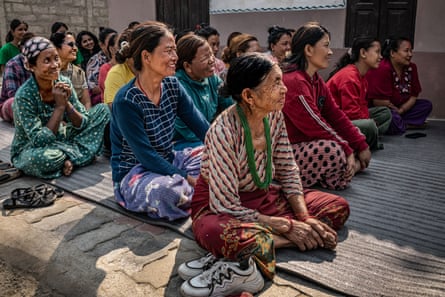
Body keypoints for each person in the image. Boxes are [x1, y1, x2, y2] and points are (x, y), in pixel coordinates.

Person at [179, 53, 349, 297]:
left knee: (337, 207)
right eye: (276, 83)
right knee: (216, 233)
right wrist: (288, 227)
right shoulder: (223, 132)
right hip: (219, 209)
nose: (284, 89)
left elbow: (288, 169)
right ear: (249, 96)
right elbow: (224, 204)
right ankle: (260, 249)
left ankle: (254, 249)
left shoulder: (274, 116)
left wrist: (303, 216)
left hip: (265, 201)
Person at [110, 21, 210, 221]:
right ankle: (206, 194)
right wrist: (189, 178)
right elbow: (146, 156)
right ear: (146, 56)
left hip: (169, 159)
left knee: (215, 159)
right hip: (136, 173)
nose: (175, 57)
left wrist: (225, 151)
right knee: (168, 192)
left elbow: (203, 128)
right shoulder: (126, 100)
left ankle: (202, 193)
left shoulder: (173, 85)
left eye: (175, 51)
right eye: (169, 51)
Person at [282, 22, 371, 190]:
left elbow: (335, 115)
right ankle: (348, 168)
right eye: (326, 46)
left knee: (357, 135)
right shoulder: (294, 81)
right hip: (282, 153)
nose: (330, 52)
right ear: (308, 50)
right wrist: (348, 149)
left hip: (307, 142)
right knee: (333, 150)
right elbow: (315, 124)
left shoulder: (315, 80)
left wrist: (360, 144)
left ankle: (346, 167)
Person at [11, 37, 110, 179]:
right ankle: (80, 155)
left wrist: (66, 103)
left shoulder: (63, 82)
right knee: (40, 159)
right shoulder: (24, 96)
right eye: (47, 61)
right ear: (31, 66)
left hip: (63, 138)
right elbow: (39, 140)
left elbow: (83, 123)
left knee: (102, 110)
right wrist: (59, 107)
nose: (55, 65)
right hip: (33, 148)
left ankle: (70, 158)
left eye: (56, 58)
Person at [327, 36, 392, 150]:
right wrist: (369, 123)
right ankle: (367, 137)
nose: (380, 57)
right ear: (363, 53)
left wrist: (367, 120)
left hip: (350, 119)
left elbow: (361, 107)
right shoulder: (349, 77)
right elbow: (351, 115)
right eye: (377, 52)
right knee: (370, 126)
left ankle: (368, 134)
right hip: (334, 123)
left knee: (384, 113)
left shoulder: (361, 77)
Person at [174, 34, 233, 150]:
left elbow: (230, 107)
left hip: (209, 136)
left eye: (211, 55)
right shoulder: (176, 87)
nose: (212, 60)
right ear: (187, 66)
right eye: (205, 58)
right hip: (184, 143)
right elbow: (189, 133)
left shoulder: (213, 79)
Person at [366, 36, 433, 134]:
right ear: (393, 53)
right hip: (384, 108)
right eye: (406, 51)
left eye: (411, 51)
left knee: (426, 105)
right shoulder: (383, 68)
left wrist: (402, 110)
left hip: (402, 108)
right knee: (389, 116)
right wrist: (396, 111)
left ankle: (401, 124)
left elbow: (414, 95)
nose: (410, 54)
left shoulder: (412, 67)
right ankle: (407, 124)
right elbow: (379, 102)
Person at [50, 31, 92, 109]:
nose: (76, 49)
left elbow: (86, 102)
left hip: (78, 116)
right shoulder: (48, 73)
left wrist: (86, 118)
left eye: (75, 45)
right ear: (56, 48)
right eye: (71, 45)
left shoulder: (79, 73)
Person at [0, 32, 35, 123]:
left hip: (35, 103)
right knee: (14, 102)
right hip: (15, 103)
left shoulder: (39, 63)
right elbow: (12, 93)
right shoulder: (13, 65)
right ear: (21, 48)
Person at [86, 27, 117, 105]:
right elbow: (92, 88)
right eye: (111, 41)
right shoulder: (95, 61)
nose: (115, 44)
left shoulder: (123, 60)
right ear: (102, 45)